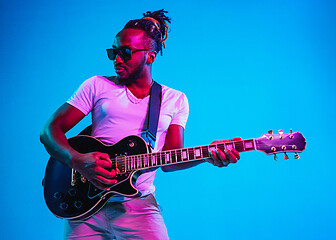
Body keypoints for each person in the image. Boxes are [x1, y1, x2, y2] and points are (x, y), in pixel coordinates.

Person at [40, 9, 240, 240]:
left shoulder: (175, 100)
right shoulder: (96, 86)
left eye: (126, 52)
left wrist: (207, 155)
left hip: (138, 206)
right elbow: (49, 131)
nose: (117, 59)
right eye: (113, 52)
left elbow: (170, 160)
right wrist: (78, 161)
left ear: (150, 56)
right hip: (85, 206)